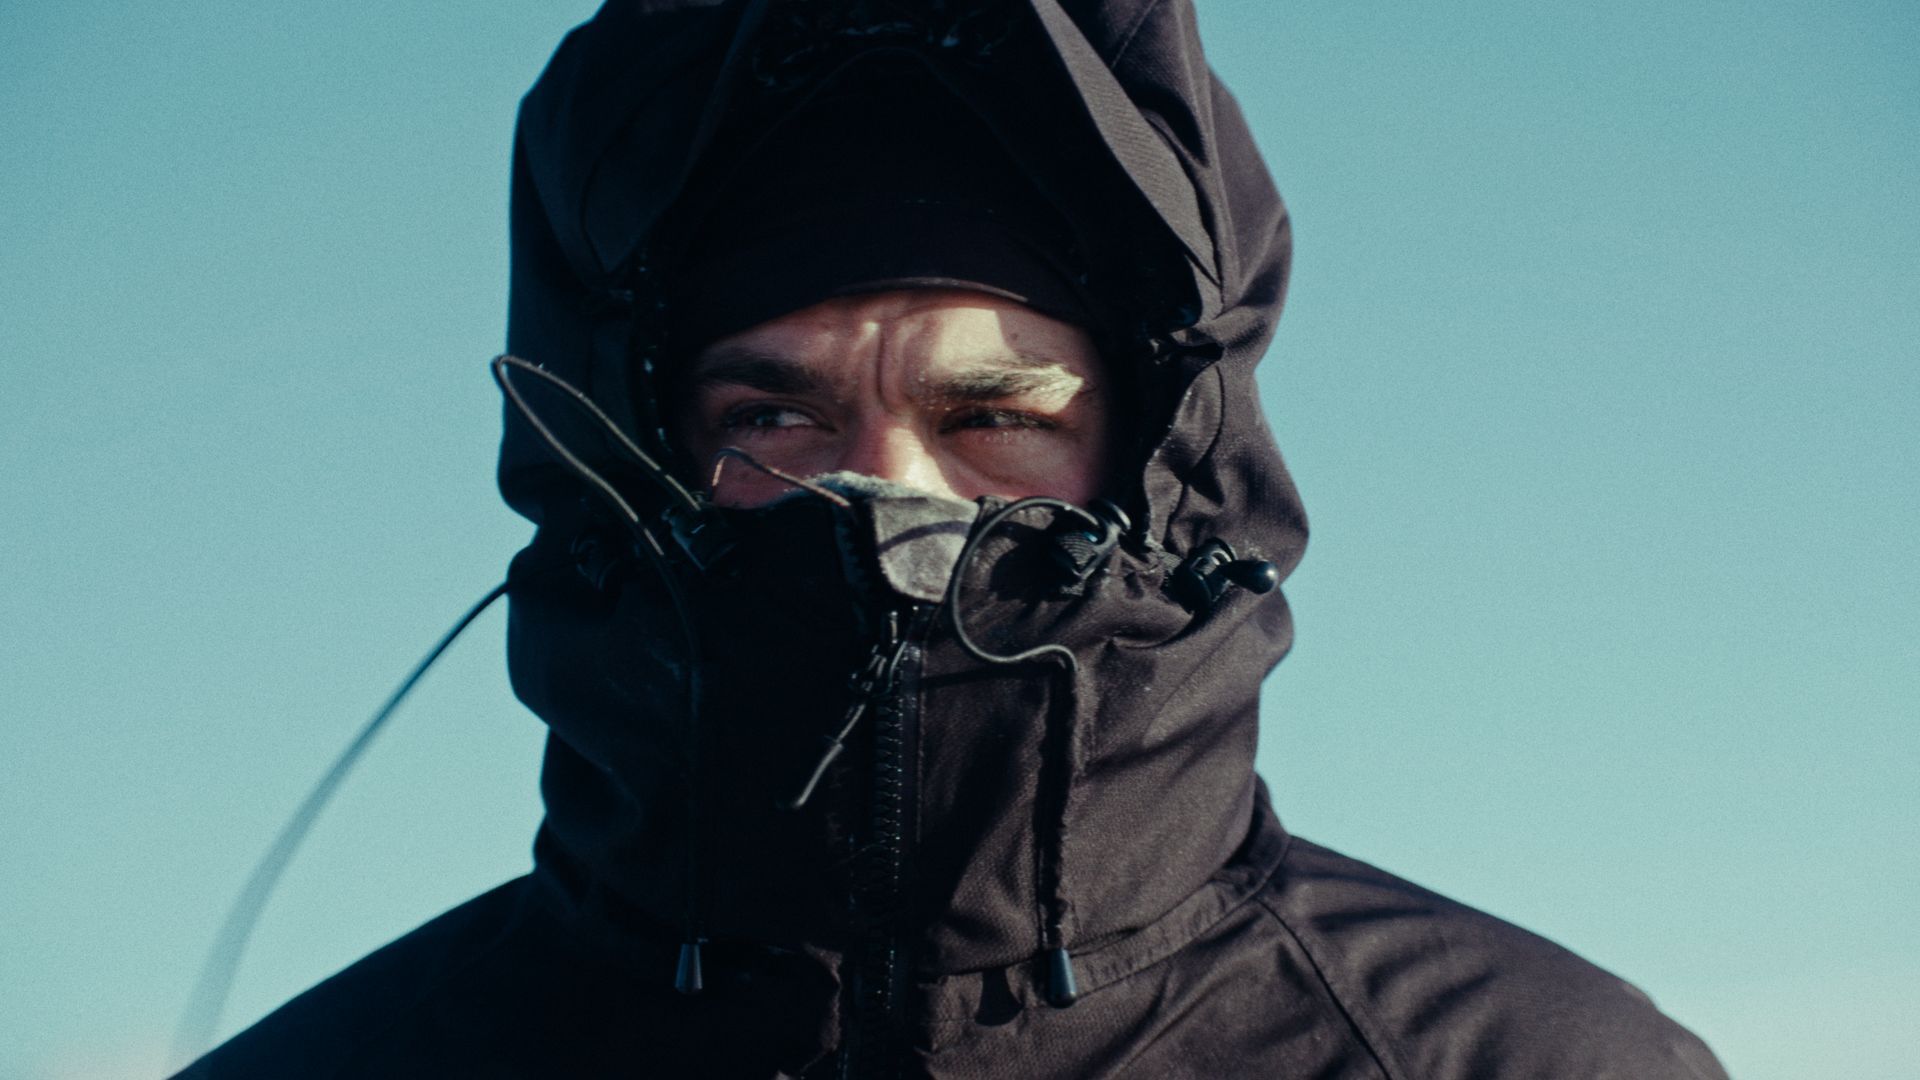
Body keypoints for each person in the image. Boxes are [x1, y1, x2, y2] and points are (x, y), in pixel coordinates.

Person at [178, 2, 1728, 1076]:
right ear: (632, 453)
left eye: (995, 415)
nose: (884, 490)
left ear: (1149, 448)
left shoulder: (1534, 1064)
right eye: (769, 420)